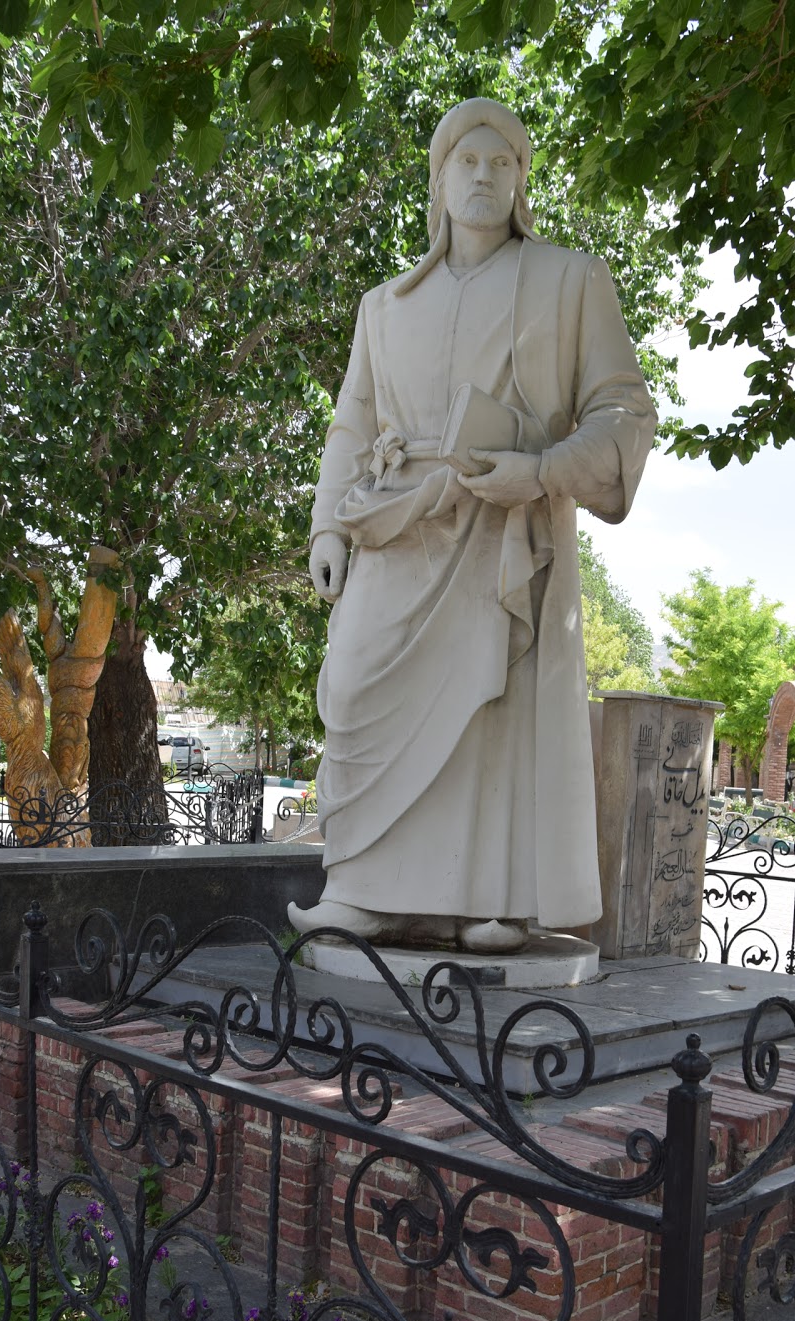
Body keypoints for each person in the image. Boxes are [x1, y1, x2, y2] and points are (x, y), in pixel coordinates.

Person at [288, 98, 657, 954]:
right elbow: (352, 423)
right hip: (394, 524)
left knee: (493, 706)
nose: (484, 176)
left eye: (502, 162)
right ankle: (364, 889)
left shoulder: (570, 279)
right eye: (467, 161)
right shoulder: (384, 306)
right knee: (352, 687)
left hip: (505, 527)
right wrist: (326, 528)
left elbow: (624, 413)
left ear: (522, 180)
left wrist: (542, 472)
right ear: (440, 180)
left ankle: (492, 900)